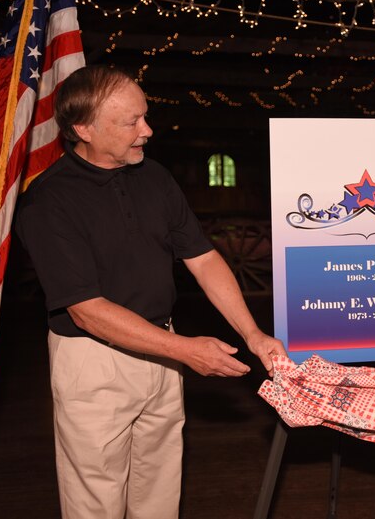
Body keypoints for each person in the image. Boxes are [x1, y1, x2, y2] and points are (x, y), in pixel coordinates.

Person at [15, 65, 287, 519]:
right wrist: (185, 350)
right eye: (131, 122)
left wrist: (253, 334)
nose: (148, 130)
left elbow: (202, 258)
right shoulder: (49, 201)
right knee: (96, 499)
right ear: (83, 129)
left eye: (145, 116)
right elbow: (86, 310)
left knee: (159, 490)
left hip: (163, 350)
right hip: (94, 361)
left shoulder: (155, 176)